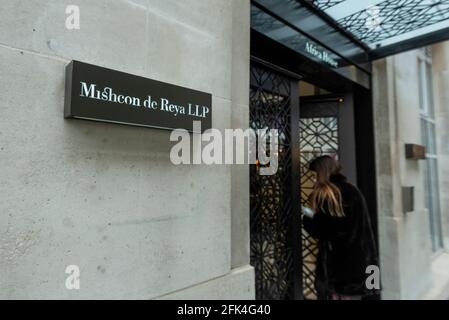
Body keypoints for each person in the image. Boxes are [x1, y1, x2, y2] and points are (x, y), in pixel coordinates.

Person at [302, 155, 379, 300]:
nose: (313, 179)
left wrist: (308, 216)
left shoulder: (329, 195)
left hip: (337, 265)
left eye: (314, 175)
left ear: (322, 172)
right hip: (357, 261)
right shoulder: (352, 190)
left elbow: (324, 230)